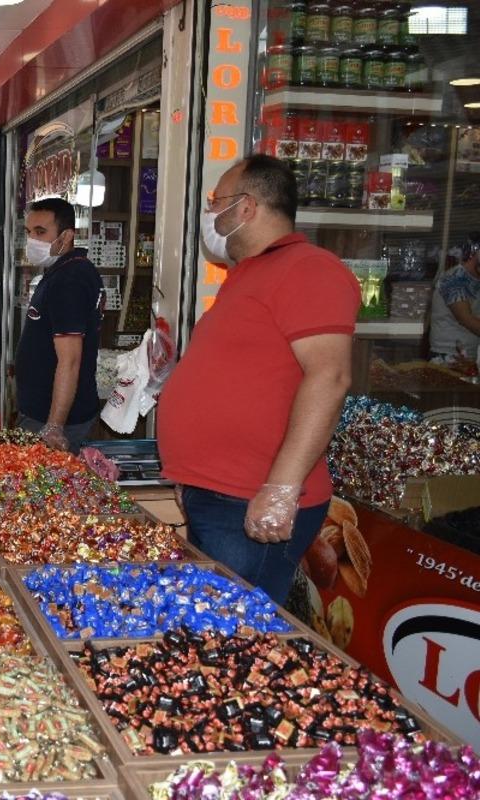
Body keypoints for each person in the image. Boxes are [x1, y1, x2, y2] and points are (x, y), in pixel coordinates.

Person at [157, 155, 361, 604]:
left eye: (216, 203)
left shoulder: (309, 269)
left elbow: (330, 376)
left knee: (233, 630)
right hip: (219, 493)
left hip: (250, 497)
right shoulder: (248, 275)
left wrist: (282, 489)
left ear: (246, 207)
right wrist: (190, 471)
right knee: (215, 623)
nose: (211, 214)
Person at [14, 196, 104, 453]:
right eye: (29, 232)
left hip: (55, 421)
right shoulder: (59, 271)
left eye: (41, 232)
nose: (32, 240)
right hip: (40, 414)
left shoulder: (70, 280)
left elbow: (70, 360)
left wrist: (54, 425)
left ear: (66, 237)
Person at [428, 232, 480, 364]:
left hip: (469, 356)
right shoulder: (454, 279)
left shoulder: (476, 279)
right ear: (476, 252)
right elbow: (466, 320)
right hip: (447, 358)